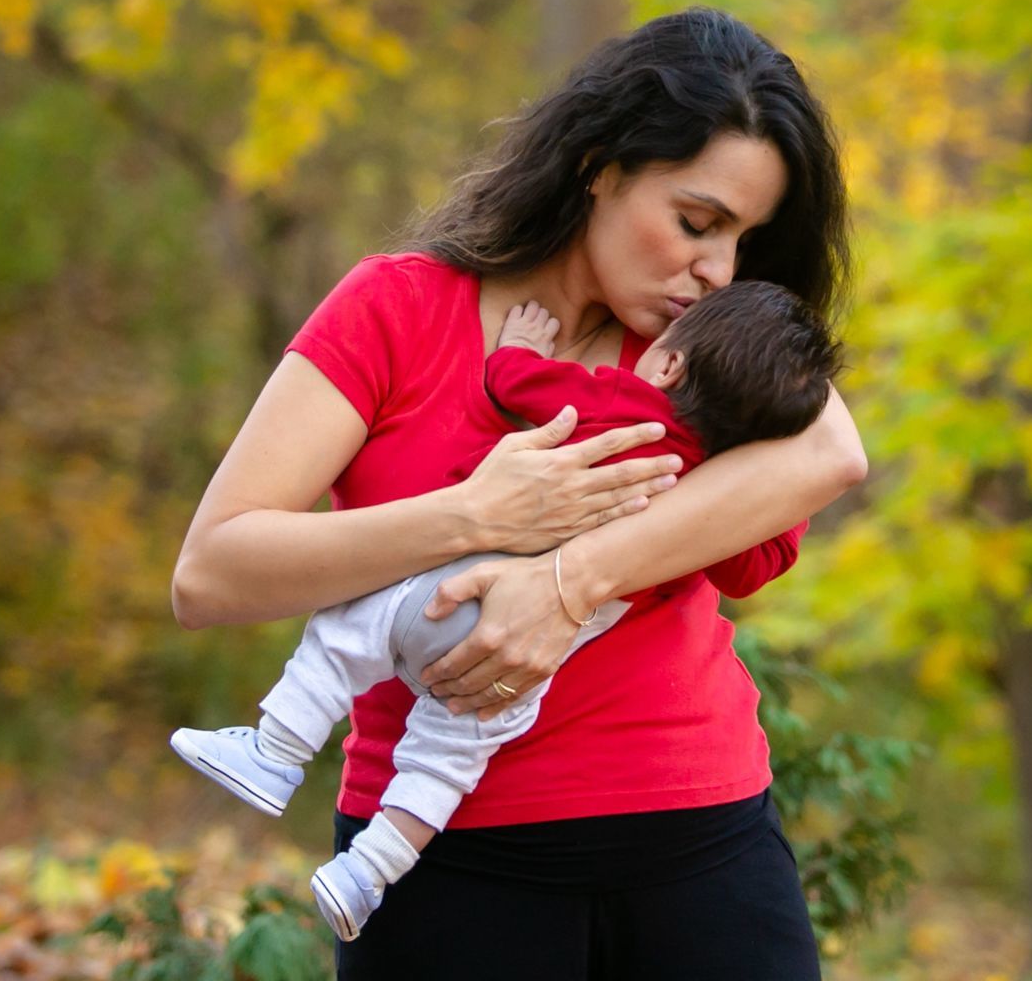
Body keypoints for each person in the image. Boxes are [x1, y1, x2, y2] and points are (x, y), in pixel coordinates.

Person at [171, 6, 865, 980]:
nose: (717, 270)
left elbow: (835, 453)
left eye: (744, 240)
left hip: (702, 841)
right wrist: (472, 516)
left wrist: (569, 582)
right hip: (445, 857)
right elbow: (212, 571)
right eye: (697, 222)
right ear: (599, 163)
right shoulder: (400, 309)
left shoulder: (704, 356)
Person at [169, 281, 843, 941]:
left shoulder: (618, 398)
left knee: (345, 633)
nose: (710, 267)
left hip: (446, 595)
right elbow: (752, 566)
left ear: (667, 362)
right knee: (448, 761)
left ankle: (275, 749)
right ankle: (366, 874)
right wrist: (777, 515)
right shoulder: (705, 486)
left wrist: (519, 349)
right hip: (518, 663)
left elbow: (520, 384)